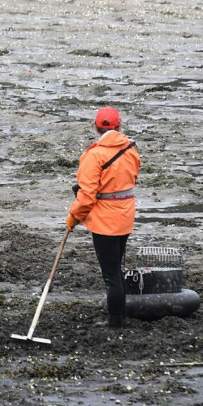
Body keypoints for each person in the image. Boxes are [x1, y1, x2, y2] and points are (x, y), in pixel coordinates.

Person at [66, 106, 141, 330]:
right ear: (119, 126)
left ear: (95, 127)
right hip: (125, 216)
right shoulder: (131, 149)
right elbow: (130, 178)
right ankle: (119, 316)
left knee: (112, 276)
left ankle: (116, 323)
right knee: (116, 269)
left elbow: (87, 198)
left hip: (105, 221)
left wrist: (72, 218)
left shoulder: (95, 154)